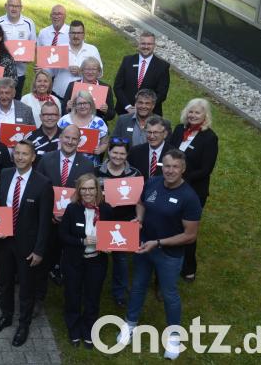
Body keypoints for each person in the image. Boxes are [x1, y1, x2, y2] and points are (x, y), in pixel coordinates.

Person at [117, 150, 201, 360]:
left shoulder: (189, 198)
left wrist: (159, 243)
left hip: (169, 254)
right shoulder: (153, 182)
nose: (170, 171)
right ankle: (130, 323)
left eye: (175, 167)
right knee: (138, 286)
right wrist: (139, 219)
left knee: (170, 294)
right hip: (145, 246)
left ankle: (174, 337)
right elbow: (141, 202)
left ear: (183, 169)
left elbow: (190, 236)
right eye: (167, 166)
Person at [0, 141, 53, 346]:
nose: (20, 157)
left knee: (26, 287)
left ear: (33, 157)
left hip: (28, 246)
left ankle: (23, 324)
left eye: (25, 154)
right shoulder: (6, 174)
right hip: (5, 241)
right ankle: (6, 316)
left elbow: (44, 222)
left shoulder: (43, 183)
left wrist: (39, 251)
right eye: (17, 153)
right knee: (5, 282)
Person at [35, 125, 96, 305]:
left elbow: (88, 194)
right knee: (44, 258)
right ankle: (39, 296)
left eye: (74, 139)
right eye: (67, 137)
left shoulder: (86, 164)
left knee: (71, 261)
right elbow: (38, 187)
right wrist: (49, 214)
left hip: (72, 222)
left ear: (79, 141)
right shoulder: (46, 159)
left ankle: (70, 298)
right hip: (48, 219)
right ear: (60, 138)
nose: (70, 142)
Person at [58, 173, 114, 349]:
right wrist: (82, 241)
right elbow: (62, 235)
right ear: (79, 190)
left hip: (96, 261)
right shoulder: (72, 209)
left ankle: (89, 329)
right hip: (74, 261)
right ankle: (73, 328)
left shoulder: (106, 209)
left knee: (92, 296)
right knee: (72, 295)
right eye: (84, 189)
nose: (88, 192)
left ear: (97, 189)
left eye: (91, 188)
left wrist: (109, 245)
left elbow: (112, 233)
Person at [170, 98, 219, 282]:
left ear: (205, 116)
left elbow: (206, 169)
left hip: (193, 190)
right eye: (191, 111)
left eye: (197, 112)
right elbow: (169, 152)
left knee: (188, 230)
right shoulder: (179, 129)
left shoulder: (209, 138)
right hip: (171, 185)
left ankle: (189, 267)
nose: (193, 115)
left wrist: (180, 178)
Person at [95, 138, 141, 307]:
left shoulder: (135, 174)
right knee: (97, 259)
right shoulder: (96, 171)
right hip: (100, 221)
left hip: (125, 222)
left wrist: (139, 218)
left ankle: (119, 293)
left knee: (121, 261)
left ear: (127, 155)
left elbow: (140, 201)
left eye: (122, 153)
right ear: (109, 152)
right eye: (115, 152)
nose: (118, 156)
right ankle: (93, 290)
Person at [114, 31, 170, 116]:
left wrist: (144, 107)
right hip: (126, 111)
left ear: (154, 45)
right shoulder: (127, 60)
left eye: (149, 44)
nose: (146, 47)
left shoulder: (162, 66)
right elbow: (118, 87)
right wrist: (127, 106)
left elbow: (162, 94)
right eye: (143, 43)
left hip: (150, 114)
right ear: (139, 44)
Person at [0, 0, 37, 95]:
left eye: (17, 6)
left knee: (15, 100)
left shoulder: (28, 23)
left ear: (21, 8)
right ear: (6, 6)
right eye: (11, 5)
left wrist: (29, 57)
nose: (14, 9)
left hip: (19, 72)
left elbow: (33, 45)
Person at [52, 20, 102, 98]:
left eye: (79, 33)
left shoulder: (92, 50)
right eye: (73, 33)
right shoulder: (60, 48)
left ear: (83, 34)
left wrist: (82, 72)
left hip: (83, 100)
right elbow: (50, 69)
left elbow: (100, 73)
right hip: (59, 95)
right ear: (69, 34)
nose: (76, 36)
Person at [58, 90, 109, 165]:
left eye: (85, 103)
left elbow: (105, 142)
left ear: (91, 104)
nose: (82, 106)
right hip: (65, 163)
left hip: (90, 164)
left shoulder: (99, 122)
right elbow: (57, 138)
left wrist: (100, 149)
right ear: (75, 105)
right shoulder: (65, 120)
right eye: (79, 104)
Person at [61, 56, 115, 121]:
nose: (90, 72)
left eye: (94, 69)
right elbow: (63, 111)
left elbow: (111, 115)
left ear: (98, 72)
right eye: (87, 69)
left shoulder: (106, 88)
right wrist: (68, 108)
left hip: (97, 124)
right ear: (82, 70)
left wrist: (106, 111)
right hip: (75, 122)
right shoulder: (72, 85)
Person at [128, 115, 173, 181]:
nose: (152, 136)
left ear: (165, 134)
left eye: (155, 132)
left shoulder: (174, 154)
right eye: (149, 132)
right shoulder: (135, 152)